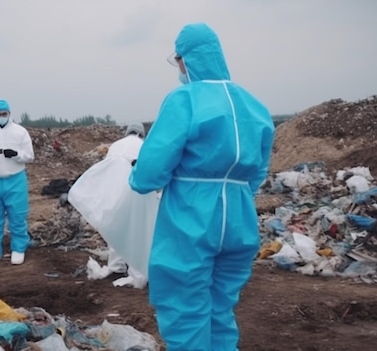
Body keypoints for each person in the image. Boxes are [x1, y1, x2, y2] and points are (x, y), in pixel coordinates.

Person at [129, 23, 275, 350]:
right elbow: (258, 170)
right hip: (239, 218)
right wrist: (234, 195)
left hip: (191, 217)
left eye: (178, 59)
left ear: (186, 59)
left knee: (184, 308)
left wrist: (136, 179)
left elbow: (151, 170)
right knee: (220, 306)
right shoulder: (255, 106)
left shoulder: (184, 100)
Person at [0, 99, 34, 266]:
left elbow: (29, 156)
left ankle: (18, 249)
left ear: (9, 114)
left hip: (15, 179)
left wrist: (16, 154)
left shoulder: (20, 132)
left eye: (4, 114)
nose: (1, 117)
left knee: (17, 216)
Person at [102, 122, 148, 287]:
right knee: (138, 232)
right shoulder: (144, 145)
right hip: (136, 192)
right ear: (142, 134)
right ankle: (138, 273)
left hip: (114, 192)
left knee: (116, 229)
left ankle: (116, 266)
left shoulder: (115, 145)